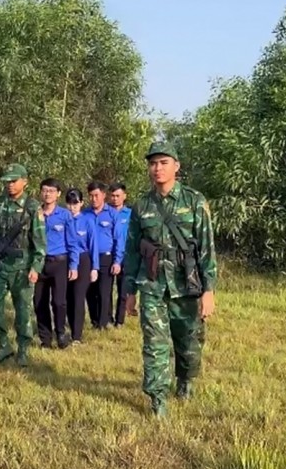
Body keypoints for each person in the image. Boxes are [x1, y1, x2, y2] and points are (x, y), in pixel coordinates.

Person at [123, 141, 217, 418]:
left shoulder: (194, 201)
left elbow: (206, 247)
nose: (157, 168)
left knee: (189, 345)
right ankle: (158, 399)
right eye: (152, 163)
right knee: (155, 344)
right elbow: (131, 251)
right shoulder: (141, 207)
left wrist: (208, 290)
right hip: (152, 285)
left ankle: (185, 380)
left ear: (176, 166)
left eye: (163, 162)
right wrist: (129, 291)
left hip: (187, 285)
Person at [0, 163, 46, 367]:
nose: (9, 184)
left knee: (23, 312)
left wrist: (35, 268)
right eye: (7, 181)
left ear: (24, 182)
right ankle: (3, 344)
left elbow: (40, 243)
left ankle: (23, 349)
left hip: (22, 268)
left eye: (14, 180)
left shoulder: (33, 208)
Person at [34, 178, 79, 349]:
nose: (47, 194)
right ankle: (45, 338)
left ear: (58, 194)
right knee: (39, 301)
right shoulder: (36, 213)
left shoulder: (65, 215)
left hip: (59, 262)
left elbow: (73, 242)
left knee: (59, 302)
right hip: (39, 262)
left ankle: (60, 332)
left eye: (51, 191)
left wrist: (74, 266)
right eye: (45, 190)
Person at [83, 181, 125, 330]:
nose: (93, 199)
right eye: (91, 196)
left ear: (103, 195)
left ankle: (103, 323)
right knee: (90, 291)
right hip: (88, 258)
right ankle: (94, 320)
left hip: (106, 257)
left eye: (96, 195)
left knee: (104, 291)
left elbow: (118, 239)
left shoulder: (112, 214)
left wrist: (117, 261)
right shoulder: (84, 214)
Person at [64, 188, 99, 344]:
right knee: (67, 297)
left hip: (83, 260)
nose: (73, 207)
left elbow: (93, 245)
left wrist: (94, 268)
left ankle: (77, 335)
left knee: (79, 297)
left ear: (81, 203)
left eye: (76, 203)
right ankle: (69, 327)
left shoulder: (87, 221)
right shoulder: (63, 219)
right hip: (65, 260)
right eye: (70, 204)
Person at [108, 183, 131, 328]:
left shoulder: (130, 214)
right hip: (109, 255)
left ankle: (120, 320)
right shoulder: (106, 213)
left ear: (124, 196)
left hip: (126, 256)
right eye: (113, 196)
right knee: (106, 290)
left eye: (118, 195)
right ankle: (107, 318)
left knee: (123, 291)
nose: (115, 198)